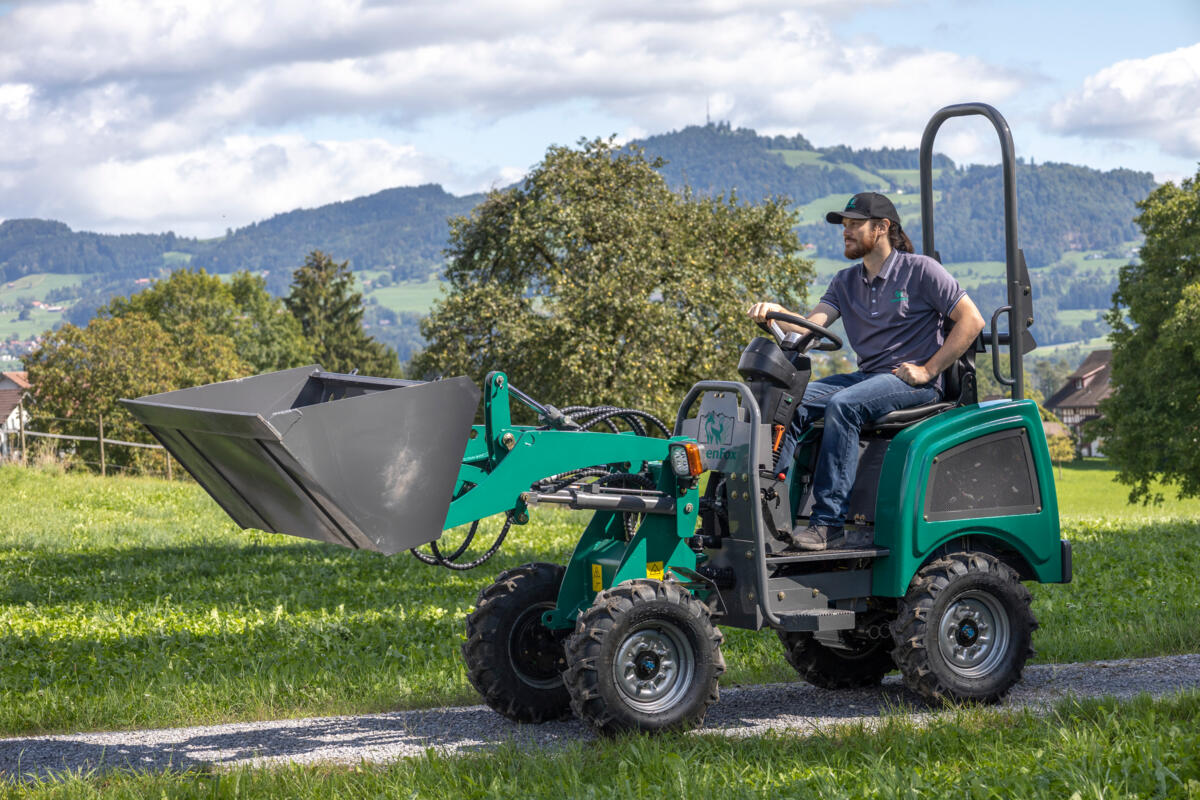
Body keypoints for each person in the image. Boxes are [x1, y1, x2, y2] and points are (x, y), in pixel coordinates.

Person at [749, 192, 985, 551]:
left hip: (910, 382)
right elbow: (808, 331)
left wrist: (928, 369)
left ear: (882, 228)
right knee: (788, 400)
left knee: (844, 405)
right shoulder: (845, 282)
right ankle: (763, 508)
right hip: (868, 379)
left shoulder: (920, 271)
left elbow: (972, 320)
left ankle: (827, 524)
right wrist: (777, 313)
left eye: (854, 225)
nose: (846, 231)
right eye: (844, 225)